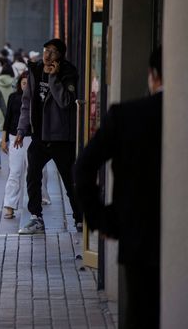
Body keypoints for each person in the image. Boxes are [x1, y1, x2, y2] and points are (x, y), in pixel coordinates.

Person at [75, 47, 162, 329]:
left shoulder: (128, 116)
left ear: (153, 76)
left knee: (142, 312)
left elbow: (83, 167)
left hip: (140, 236)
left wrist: (104, 220)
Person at [15, 38, 83, 234]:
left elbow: (65, 102)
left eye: (53, 52)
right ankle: (36, 218)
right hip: (39, 137)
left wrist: (54, 78)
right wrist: (21, 130)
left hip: (61, 138)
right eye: (46, 50)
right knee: (32, 176)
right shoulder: (35, 70)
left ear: (60, 56)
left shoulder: (68, 73)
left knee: (70, 180)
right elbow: (26, 103)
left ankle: (79, 219)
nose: (47, 55)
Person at [1, 73, 50, 219]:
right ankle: (9, 205)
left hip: (32, 138)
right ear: (19, 84)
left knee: (35, 171)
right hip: (14, 137)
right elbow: (7, 118)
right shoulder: (13, 97)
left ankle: (39, 198)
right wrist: (4, 139)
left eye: (28, 83)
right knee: (15, 171)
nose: (25, 86)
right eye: (23, 83)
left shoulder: (38, 98)